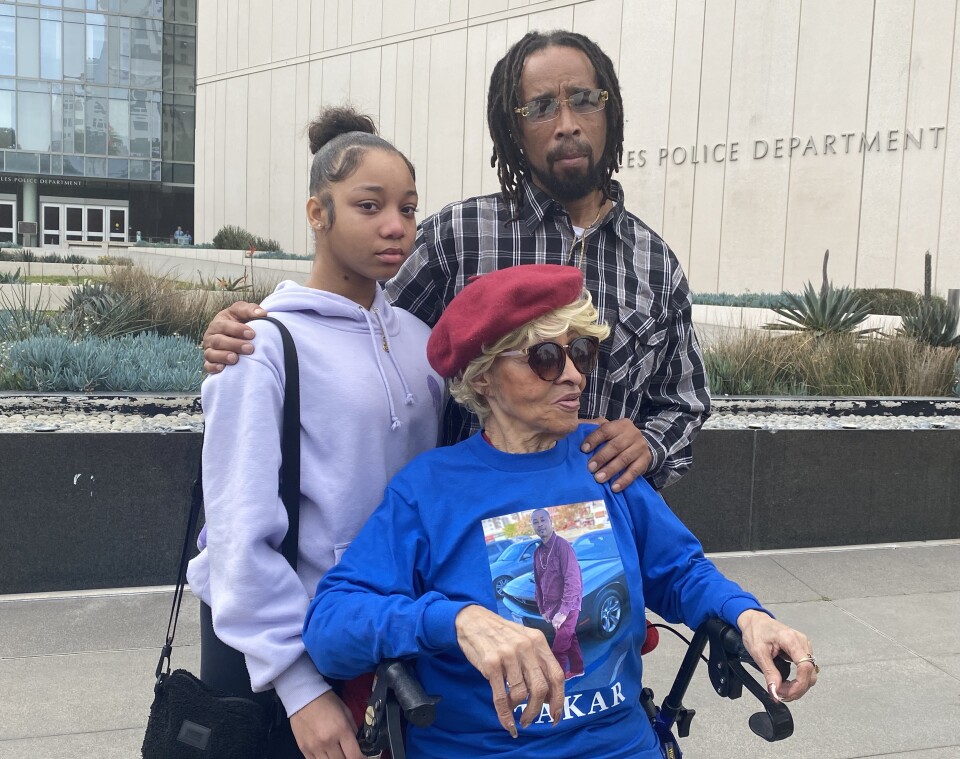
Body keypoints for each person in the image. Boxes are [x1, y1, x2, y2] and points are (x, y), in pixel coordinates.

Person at [302, 264, 818, 759]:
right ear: (483, 376)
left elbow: (679, 571)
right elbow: (331, 626)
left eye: (582, 353)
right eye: (546, 357)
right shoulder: (430, 488)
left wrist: (747, 616)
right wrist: (456, 620)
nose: (573, 375)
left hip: (622, 745)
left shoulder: (600, 458)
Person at [201, 29, 708, 494]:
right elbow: (364, 338)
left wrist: (650, 442)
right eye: (541, 108)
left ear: (609, 109)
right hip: (468, 537)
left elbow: (683, 399)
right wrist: (263, 335)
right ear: (512, 128)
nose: (567, 124)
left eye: (582, 100)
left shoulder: (654, 262)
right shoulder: (459, 237)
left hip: (605, 539)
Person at [185, 106, 443, 759]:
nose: (395, 225)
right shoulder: (262, 344)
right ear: (317, 213)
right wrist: (297, 686)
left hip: (399, 644)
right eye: (369, 205)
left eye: (409, 209)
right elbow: (236, 532)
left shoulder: (420, 342)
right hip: (300, 658)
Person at [530, 508, 583, 679]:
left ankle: (554, 684)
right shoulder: (537, 553)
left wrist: (563, 612)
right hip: (552, 608)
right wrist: (542, 609)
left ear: (550, 522)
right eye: (535, 522)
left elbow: (573, 581)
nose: (540, 525)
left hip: (568, 606)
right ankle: (577, 669)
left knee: (559, 648)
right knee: (571, 639)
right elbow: (538, 583)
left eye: (542, 520)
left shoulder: (563, 546)